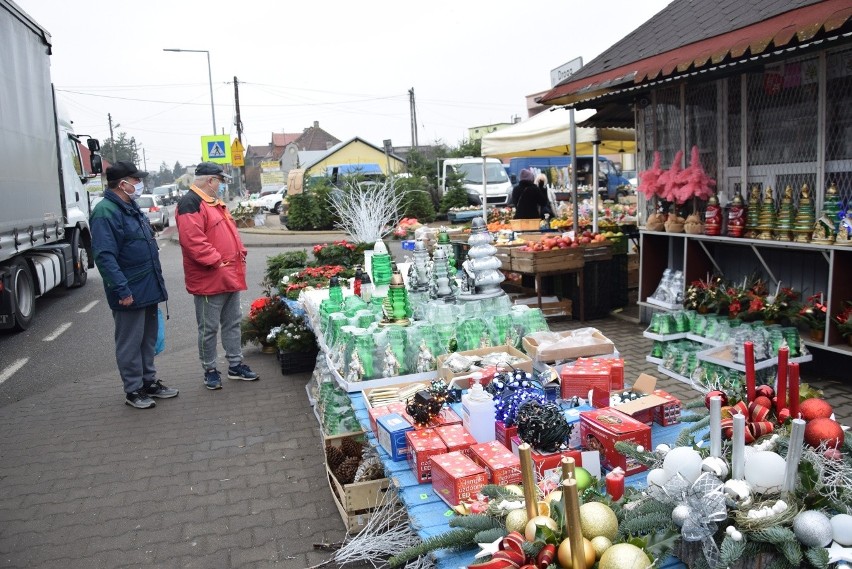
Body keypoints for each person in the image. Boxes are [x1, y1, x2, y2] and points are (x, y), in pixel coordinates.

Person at [90, 161, 177, 409]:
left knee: (148, 339)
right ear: (122, 183)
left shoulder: (130, 207)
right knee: (130, 342)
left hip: (147, 286)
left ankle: (148, 382)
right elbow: (105, 256)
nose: (139, 185)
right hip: (129, 289)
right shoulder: (106, 211)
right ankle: (133, 389)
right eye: (135, 180)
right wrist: (122, 290)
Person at [175, 162, 259, 390]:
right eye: (219, 181)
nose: (221, 186)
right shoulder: (190, 203)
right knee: (208, 328)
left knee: (232, 323)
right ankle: (210, 370)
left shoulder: (214, 202)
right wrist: (216, 261)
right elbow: (193, 240)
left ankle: (235, 365)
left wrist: (237, 255)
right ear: (210, 181)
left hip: (228, 274)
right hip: (210, 277)